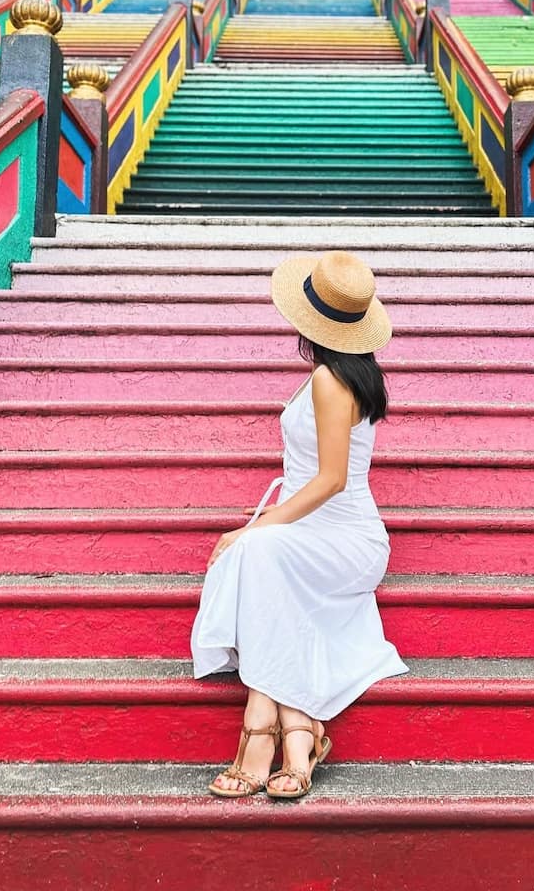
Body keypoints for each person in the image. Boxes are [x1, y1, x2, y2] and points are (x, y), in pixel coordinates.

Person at [190, 249, 408, 799]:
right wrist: (267, 525)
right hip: (313, 529)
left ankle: (262, 731)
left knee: (255, 553)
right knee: (263, 564)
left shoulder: (330, 379)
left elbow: (331, 479)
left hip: (345, 537)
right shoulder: (345, 374)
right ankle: (301, 733)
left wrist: (255, 528)